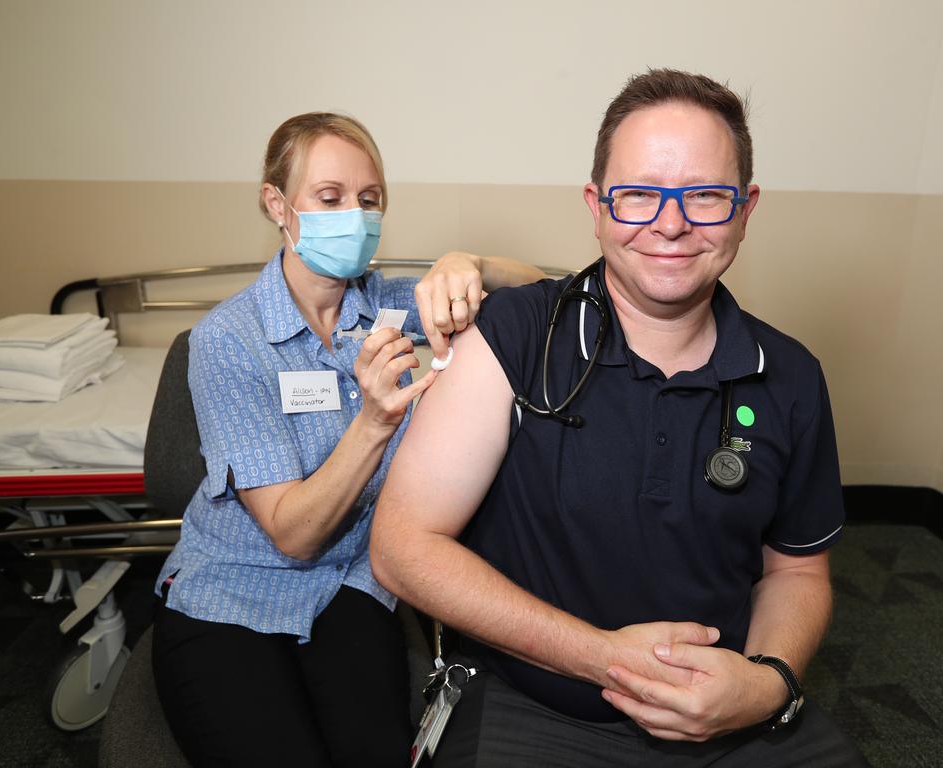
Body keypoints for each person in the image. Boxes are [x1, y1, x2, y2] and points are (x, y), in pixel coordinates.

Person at [371, 70, 868, 766]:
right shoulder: (517, 337)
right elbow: (402, 547)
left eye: (704, 195)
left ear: (746, 208)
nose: (671, 223)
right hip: (538, 705)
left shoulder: (789, 376)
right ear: (597, 206)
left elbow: (797, 574)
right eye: (638, 195)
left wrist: (765, 682)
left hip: (727, 713)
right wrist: (602, 658)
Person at [151, 111, 544, 768]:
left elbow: (540, 292)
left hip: (353, 586)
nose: (354, 218)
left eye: (369, 201)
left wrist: (464, 261)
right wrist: (374, 422)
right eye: (330, 199)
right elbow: (294, 534)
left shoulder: (390, 305)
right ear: (277, 205)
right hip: (234, 590)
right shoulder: (228, 341)